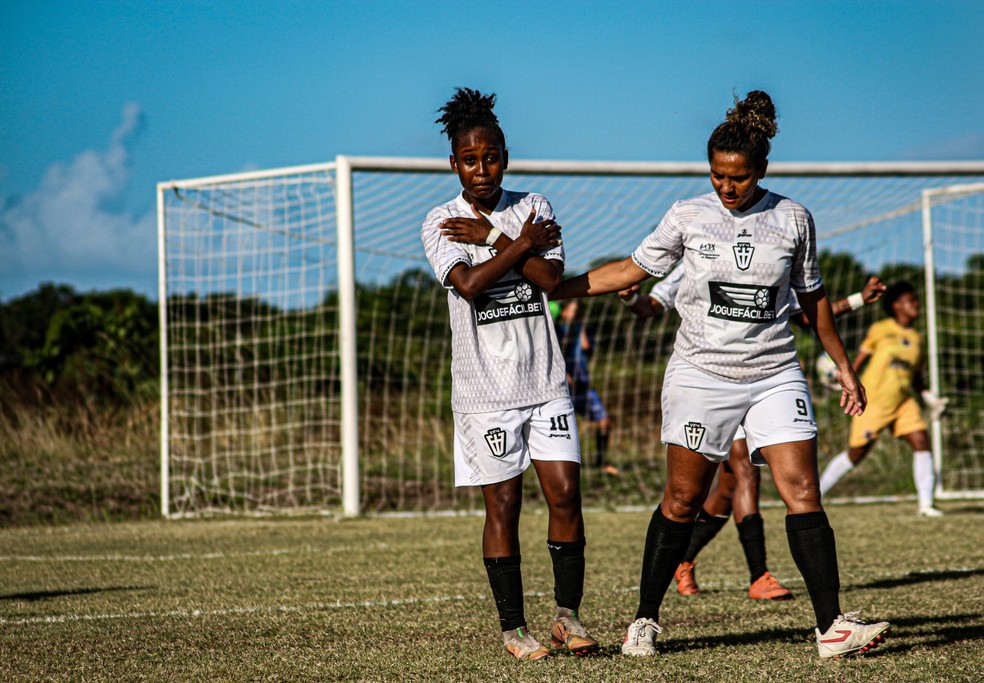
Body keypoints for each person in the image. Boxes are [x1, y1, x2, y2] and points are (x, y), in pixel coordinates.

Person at [551, 90, 890, 660]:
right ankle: (645, 621)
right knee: (683, 499)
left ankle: (831, 626)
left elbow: (815, 300)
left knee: (802, 490)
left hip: (775, 372)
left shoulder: (794, 219)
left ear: (761, 169)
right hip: (700, 376)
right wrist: (555, 289)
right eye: (716, 176)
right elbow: (630, 271)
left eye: (737, 177)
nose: (726, 187)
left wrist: (844, 365)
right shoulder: (687, 215)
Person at [421, 87, 598, 661]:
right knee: (503, 505)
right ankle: (513, 628)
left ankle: (568, 619)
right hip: (484, 392)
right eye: (469, 160)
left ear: (505, 154)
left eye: (490, 156)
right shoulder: (440, 221)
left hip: (545, 382)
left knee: (566, 495)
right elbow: (470, 288)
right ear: (454, 163)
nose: (481, 169)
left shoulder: (535, 206)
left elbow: (548, 281)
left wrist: (500, 238)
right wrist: (521, 247)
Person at [620, 269, 886, 600]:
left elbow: (806, 312)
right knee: (736, 476)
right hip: (712, 382)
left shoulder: (763, 262)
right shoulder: (693, 258)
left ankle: (685, 558)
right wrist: (631, 296)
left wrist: (860, 298)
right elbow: (651, 306)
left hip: (763, 381)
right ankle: (758, 575)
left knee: (730, 486)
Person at [819, 281, 948, 516]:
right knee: (856, 453)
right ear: (896, 305)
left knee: (921, 440)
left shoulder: (918, 339)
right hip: (874, 401)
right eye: (911, 300)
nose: (916, 304)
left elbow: (915, 375)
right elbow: (859, 359)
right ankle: (816, 494)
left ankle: (926, 505)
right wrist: (845, 377)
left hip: (902, 402)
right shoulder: (880, 329)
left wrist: (929, 398)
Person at [555, 299, 619, 475]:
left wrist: (580, 328)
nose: (575, 314)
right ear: (563, 312)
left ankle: (600, 461)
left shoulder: (583, 331)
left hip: (583, 387)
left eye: (578, 311)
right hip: (563, 389)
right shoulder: (557, 331)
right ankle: (564, 467)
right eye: (571, 310)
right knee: (563, 431)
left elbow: (587, 347)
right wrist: (563, 373)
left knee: (604, 421)